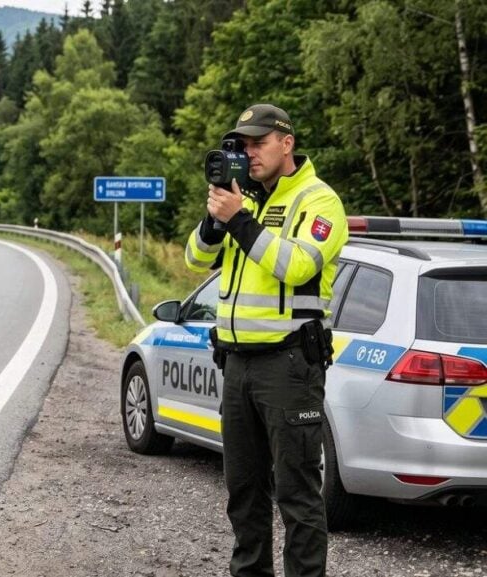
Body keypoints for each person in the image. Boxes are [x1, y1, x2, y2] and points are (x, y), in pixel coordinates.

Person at [184, 104, 348, 577]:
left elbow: (297, 265)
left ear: (286, 143)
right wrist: (217, 217)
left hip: (289, 365)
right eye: (243, 144)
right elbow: (195, 259)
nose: (249, 153)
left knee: (297, 493)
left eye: (258, 143)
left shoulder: (319, 201)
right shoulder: (245, 199)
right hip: (237, 365)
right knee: (243, 490)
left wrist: (239, 220)